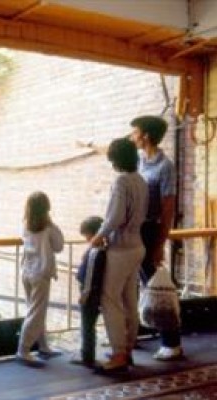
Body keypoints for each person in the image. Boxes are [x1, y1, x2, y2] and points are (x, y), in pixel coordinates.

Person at [91, 137, 148, 373]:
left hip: (121, 248)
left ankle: (119, 354)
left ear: (115, 160)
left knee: (109, 299)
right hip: (138, 245)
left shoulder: (121, 181)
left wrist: (99, 235)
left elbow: (114, 217)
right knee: (129, 299)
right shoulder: (141, 180)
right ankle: (128, 347)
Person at [129, 115, 183, 361]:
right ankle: (133, 334)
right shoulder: (138, 161)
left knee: (155, 283)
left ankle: (171, 342)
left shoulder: (165, 167)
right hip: (134, 229)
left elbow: (168, 207)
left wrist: (160, 244)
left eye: (135, 132)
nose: (132, 136)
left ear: (146, 136)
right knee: (135, 284)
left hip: (151, 231)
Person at [15, 191, 64, 367]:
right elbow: (59, 246)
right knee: (36, 313)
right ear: (46, 208)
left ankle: (43, 346)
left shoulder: (24, 225)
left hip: (26, 272)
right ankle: (23, 349)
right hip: (41, 274)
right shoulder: (48, 228)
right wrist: (53, 224)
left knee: (34, 310)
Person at [71, 216, 105, 368]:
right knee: (90, 325)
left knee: (87, 325)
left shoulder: (95, 253)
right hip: (96, 293)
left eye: (87, 236)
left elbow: (89, 276)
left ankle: (87, 355)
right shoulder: (104, 250)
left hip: (89, 293)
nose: (86, 239)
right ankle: (87, 353)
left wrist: (84, 295)